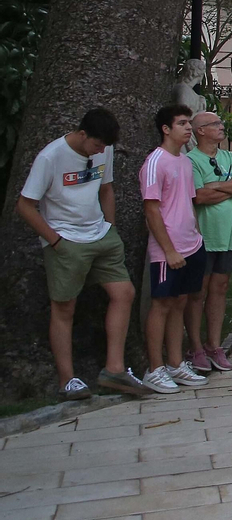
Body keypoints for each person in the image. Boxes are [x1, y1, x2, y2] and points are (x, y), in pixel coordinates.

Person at [16, 108, 148, 398]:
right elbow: (25, 205)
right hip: (66, 239)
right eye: (97, 145)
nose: (100, 151)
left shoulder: (103, 150)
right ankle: (68, 380)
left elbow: (106, 188)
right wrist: (55, 241)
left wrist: (110, 228)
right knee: (64, 307)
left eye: (105, 147)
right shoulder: (51, 157)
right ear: (82, 134)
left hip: (100, 234)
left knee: (124, 293)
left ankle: (114, 369)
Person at [140, 105, 209, 394]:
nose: (188, 128)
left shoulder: (183, 162)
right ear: (166, 129)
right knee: (162, 304)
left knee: (180, 302)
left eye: (189, 123)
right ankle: (155, 368)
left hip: (191, 244)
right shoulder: (156, 162)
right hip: (168, 249)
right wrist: (168, 250)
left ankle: (175, 362)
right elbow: (152, 209)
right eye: (181, 123)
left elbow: (187, 202)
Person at [186, 111, 232, 374]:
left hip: (229, 236)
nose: (221, 126)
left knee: (221, 288)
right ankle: (195, 347)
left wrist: (217, 185)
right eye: (214, 124)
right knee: (197, 292)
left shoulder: (230, 157)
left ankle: (215, 345)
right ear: (200, 130)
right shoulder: (191, 161)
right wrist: (229, 186)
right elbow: (198, 196)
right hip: (203, 235)